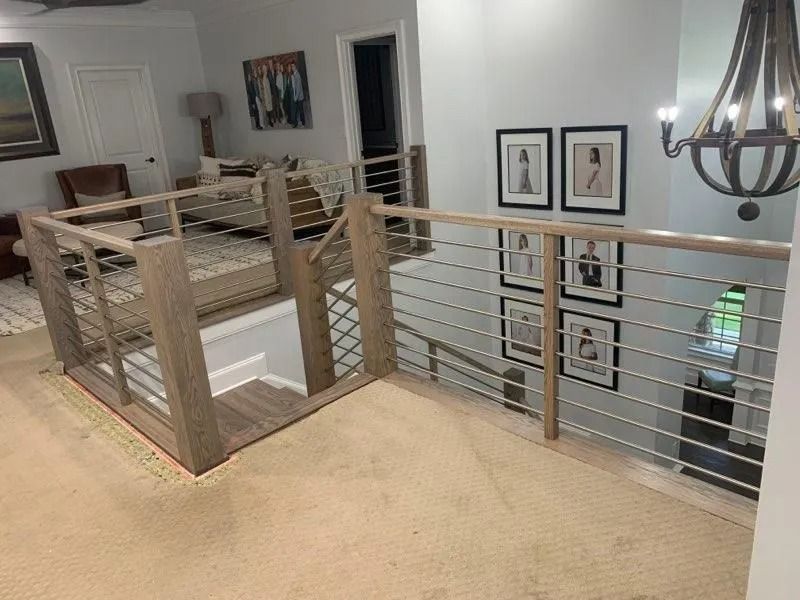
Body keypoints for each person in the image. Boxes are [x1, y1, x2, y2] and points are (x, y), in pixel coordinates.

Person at [290, 62, 306, 127]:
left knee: (301, 110)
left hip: (299, 97)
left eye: (293, 66)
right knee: (298, 110)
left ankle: (303, 123)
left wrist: (295, 98)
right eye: (291, 66)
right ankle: (299, 121)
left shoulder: (297, 75)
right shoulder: (294, 74)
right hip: (297, 96)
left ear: (295, 67)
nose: (292, 68)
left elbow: (299, 88)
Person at [257, 63, 273, 128]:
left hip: (268, 95)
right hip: (267, 97)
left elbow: (269, 87)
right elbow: (265, 90)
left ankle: (270, 121)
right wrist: (268, 98)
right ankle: (269, 122)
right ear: (263, 70)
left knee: (269, 109)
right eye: (264, 69)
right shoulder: (264, 78)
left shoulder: (266, 76)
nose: (265, 69)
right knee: (268, 110)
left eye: (265, 68)